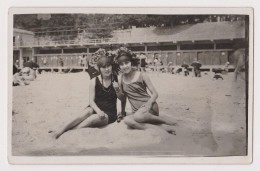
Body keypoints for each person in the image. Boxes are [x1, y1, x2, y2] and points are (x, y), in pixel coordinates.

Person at [52, 55, 119, 139]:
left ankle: (70, 132)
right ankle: (61, 130)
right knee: (85, 112)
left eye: (108, 66)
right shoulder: (93, 81)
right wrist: (98, 111)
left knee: (93, 119)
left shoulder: (117, 79)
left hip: (109, 113)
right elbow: (91, 101)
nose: (107, 69)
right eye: (103, 67)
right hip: (95, 108)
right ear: (99, 69)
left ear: (111, 66)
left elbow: (122, 98)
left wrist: (117, 90)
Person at [115, 49, 177, 134]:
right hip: (137, 112)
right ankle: (160, 129)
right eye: (121, 64)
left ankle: (163, 120)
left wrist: (148, 104)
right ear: (119, 66)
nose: (125, 66)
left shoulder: (142, 75)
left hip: (150, 108)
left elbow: (155, 94)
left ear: (131, 62)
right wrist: (122, 112)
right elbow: (123, 98)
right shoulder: (121, 78)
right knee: (127, 120)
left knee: (138, 116)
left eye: (126, 63)